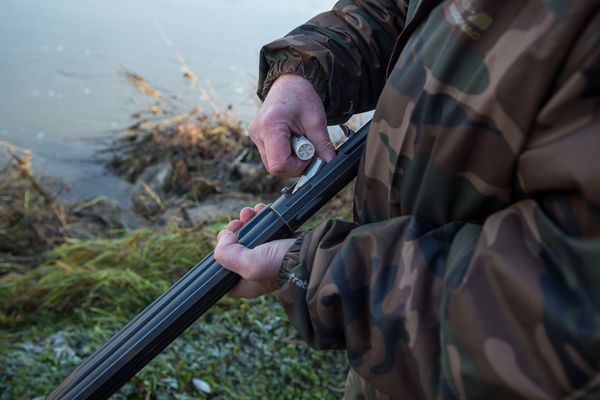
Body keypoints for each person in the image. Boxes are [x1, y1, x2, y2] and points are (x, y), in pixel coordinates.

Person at [214, 1, 600, 398]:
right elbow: (397, 8)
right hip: (387, 362)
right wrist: (303, 75)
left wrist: (316, 271)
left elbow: (567, 302)